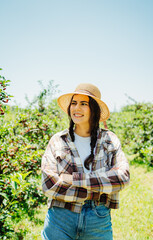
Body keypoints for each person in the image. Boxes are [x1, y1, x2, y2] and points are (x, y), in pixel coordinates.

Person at [41, 83, 130, 240]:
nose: (77, 108)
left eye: (84, 104)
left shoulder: (109, 140)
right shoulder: (58, 141)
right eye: (74, 103)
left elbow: (122, 178)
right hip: (60, 217)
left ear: (94, 109)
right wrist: (96, 189)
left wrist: (74, 179)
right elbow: (48, 185)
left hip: (97, 218)